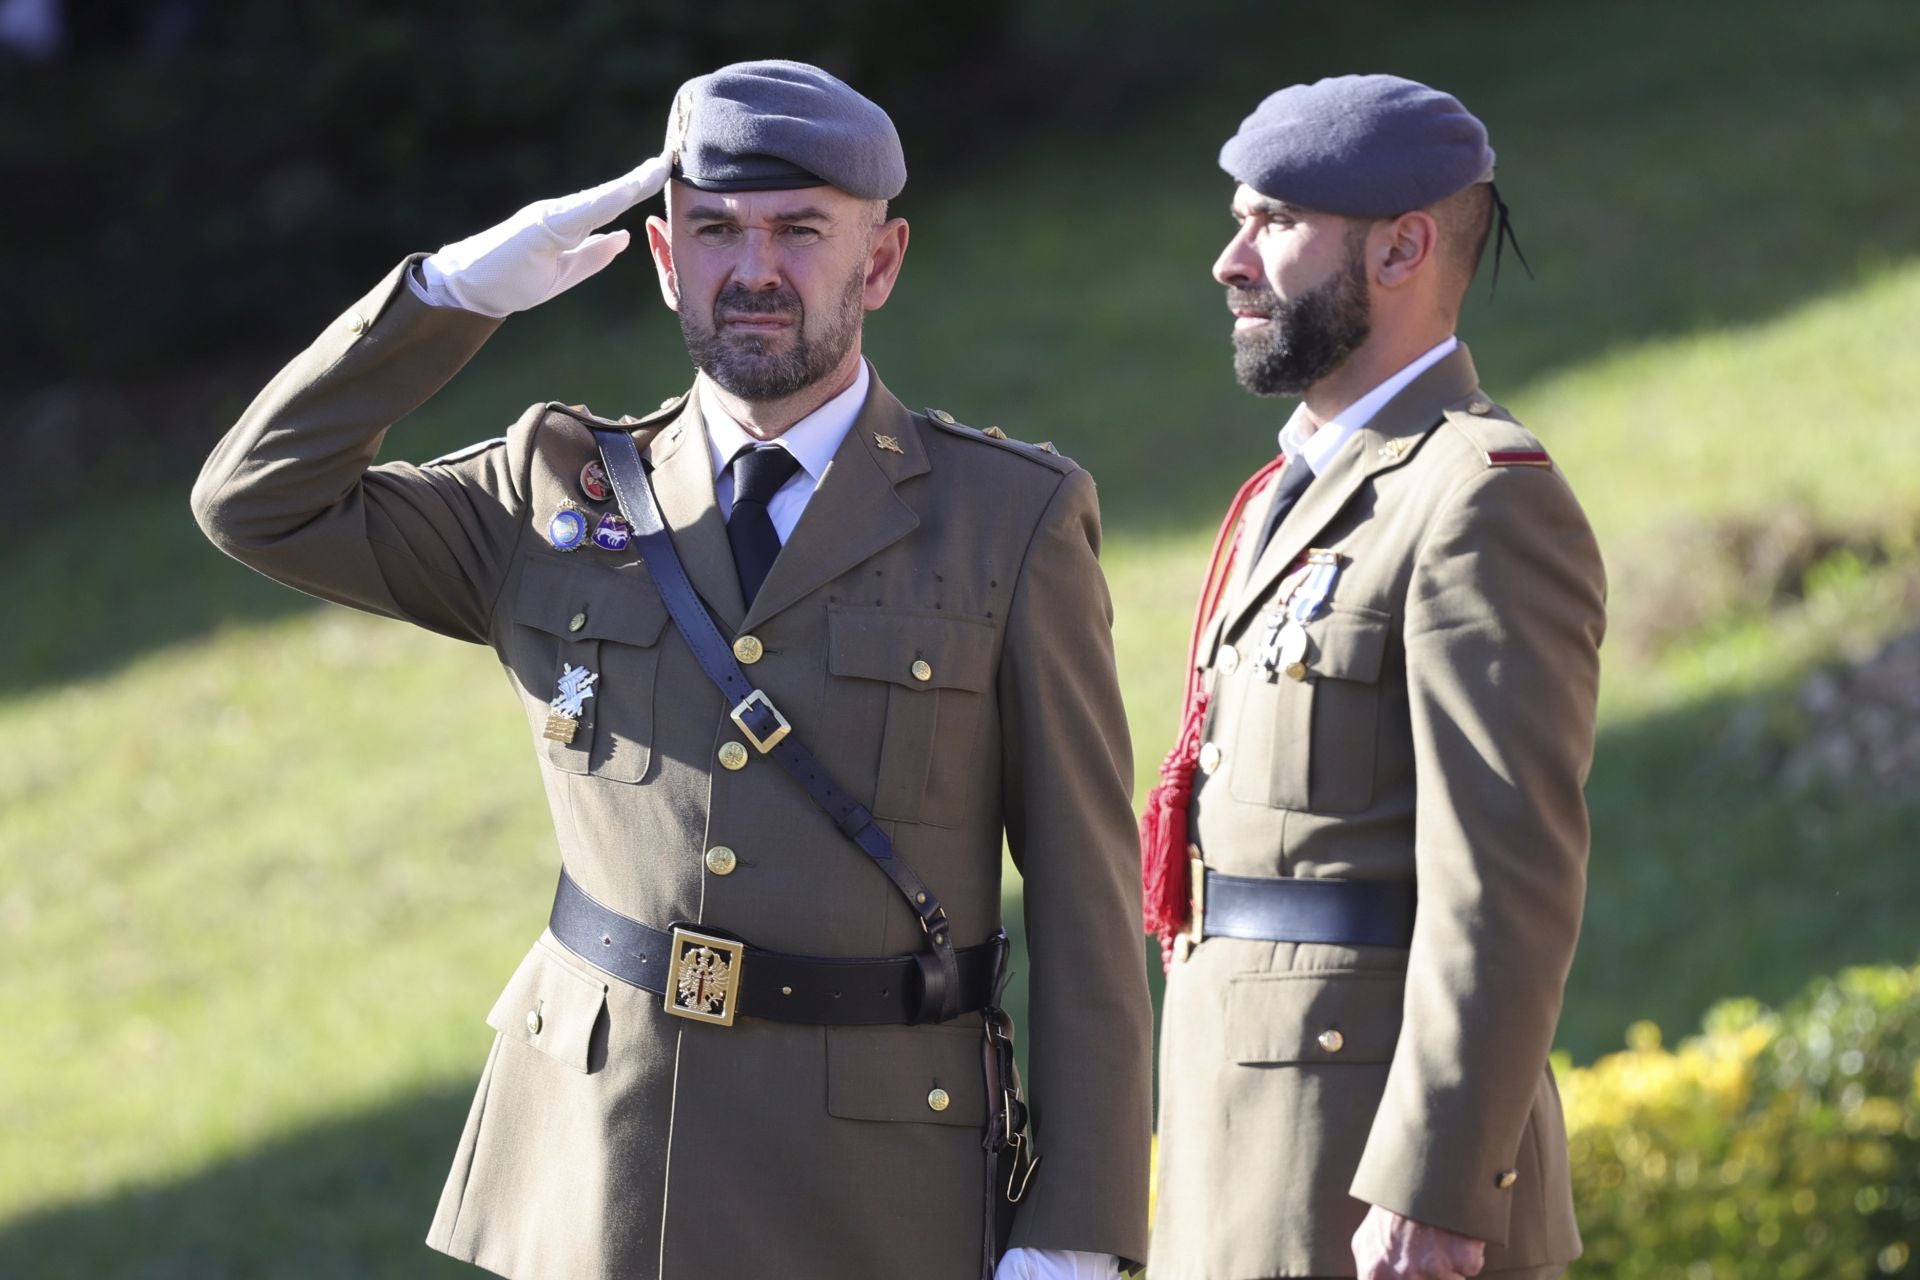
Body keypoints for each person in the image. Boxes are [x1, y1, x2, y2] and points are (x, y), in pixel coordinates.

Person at [192, 59, 1149, 1280]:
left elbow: (1085, 900)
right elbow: (254, 502)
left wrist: (1077, 1231)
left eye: (801, 230)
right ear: (661, 257)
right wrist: (451, 293)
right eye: (716, 232)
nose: (753, 270)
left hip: (874, 1187)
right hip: (602, 1165)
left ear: (884, 260)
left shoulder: (1006, 519)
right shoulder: (553, 492)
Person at [1140, 75, 1606, 1280]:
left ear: (1402, 247)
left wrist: (1436, 1182)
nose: (1229, 261)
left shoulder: (1479, 498)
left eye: (1275, 223)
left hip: (1376, 1188)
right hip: (1248, 1146)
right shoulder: (1299, 489)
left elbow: (1507, 881)